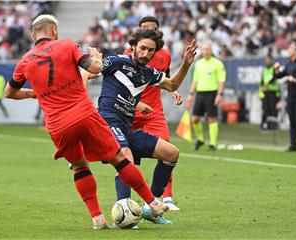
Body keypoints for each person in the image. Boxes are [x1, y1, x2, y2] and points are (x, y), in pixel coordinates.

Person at [4, 14, 168, 230]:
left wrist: (36, 94)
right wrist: (95, 57)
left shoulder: (25, 60)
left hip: (56, 124)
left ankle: (97, 218)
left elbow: (9, 92)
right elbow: (94, 69)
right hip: (83, 114)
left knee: (80, 167)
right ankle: (153, 203)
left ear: (33, 34)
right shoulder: (67, 45)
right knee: (119, 159)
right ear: (53, 30)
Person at [96, 28, 197, 223]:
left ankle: (149, 208)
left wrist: (185, 64)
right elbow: (90, 71)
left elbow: (171, 85)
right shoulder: (116, 62)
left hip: (127, 128)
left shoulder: (149, 73)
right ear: (132, 46)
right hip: (108, 122)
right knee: (126, 158)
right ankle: (126, 210)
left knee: (171, 153)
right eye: (142, 48)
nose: (145, 54)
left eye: (150, 50)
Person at [123, 16, 182, 211]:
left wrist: (172, 90)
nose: (150, 31)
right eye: (146, 28)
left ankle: (166, 198)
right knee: (124, 157)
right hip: (130, 110)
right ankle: (125, 203)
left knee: (167, 151)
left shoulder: (164, 55)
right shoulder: (127, 54)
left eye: (153, 28)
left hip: (154, 111)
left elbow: (164, 78)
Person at [186, 42, 226, 151]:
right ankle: (200, 139)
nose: (206, 51)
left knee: (211, 119)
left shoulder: (218, 64)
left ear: (211, 50)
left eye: (208, 49)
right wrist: (190, 94)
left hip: (212, 93)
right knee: (194, 119)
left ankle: (213, 143)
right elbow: (195, 80)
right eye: (204, 49)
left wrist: (220, 95)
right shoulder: (198, 64)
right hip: (200, 93)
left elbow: (221, 81)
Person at [259, 55, 281, 130]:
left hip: (273, 92)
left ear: (271, 60)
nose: (267, 61)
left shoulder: (274, 68)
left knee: (273, 109)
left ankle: (274, 125)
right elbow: (262, 80)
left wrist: (267, 84)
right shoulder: (264, 69)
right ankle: (268, 124)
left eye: (268, 60)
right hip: (266, 92)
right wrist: (263, 87)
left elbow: (274, 78)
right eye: (266, 60)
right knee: (266, 109)